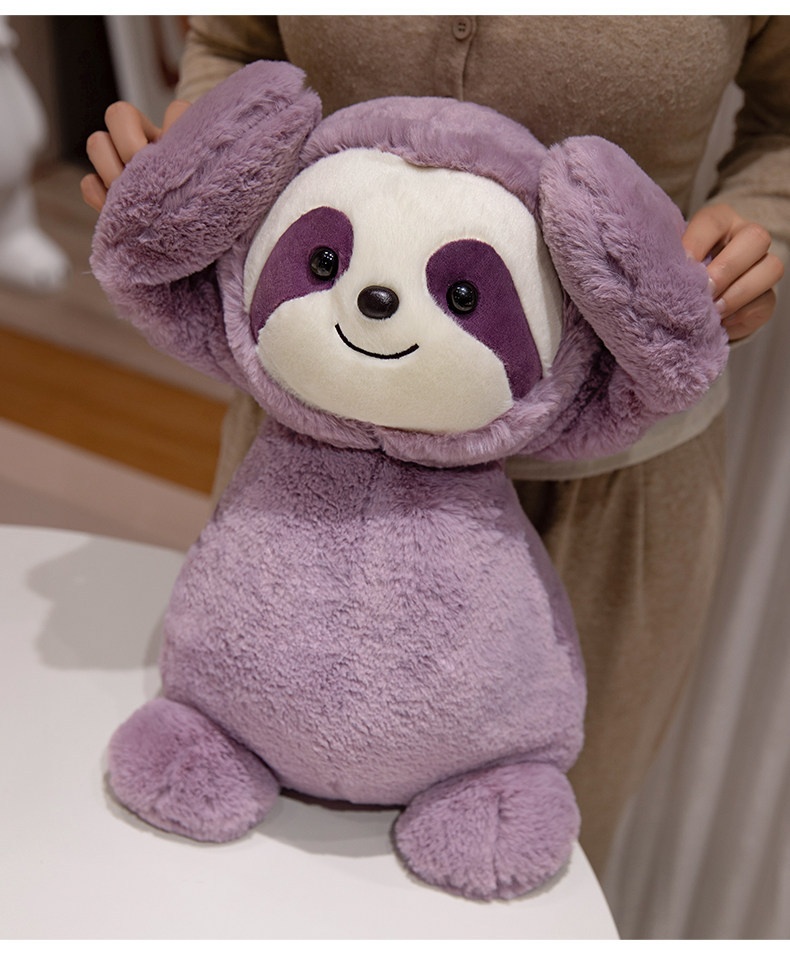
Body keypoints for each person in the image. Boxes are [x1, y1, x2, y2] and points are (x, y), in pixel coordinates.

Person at [81, 15, 788, 878]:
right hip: (300, 451)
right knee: (230, 871)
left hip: (607, 495)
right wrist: (195, 160)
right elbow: (233, 44)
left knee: (521, 873)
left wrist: (748, 239)